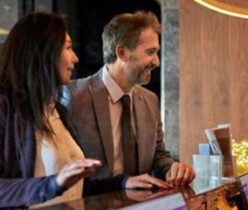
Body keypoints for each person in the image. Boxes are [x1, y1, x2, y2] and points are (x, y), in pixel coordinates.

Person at [0, 12, 170, 208]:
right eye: (68, 48)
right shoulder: (6, 108)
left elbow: (77, 188)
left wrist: (122, 182)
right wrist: (53, 184)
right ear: (42, 53)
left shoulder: (57, 111)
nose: (75, 58)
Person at [61, 11, 195, 186]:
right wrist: (123, 183)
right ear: (122, 52)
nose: (156, 62)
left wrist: (172, 169)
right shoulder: (73, 97)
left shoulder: (150, 100)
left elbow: (159, 157)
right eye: (150, 52)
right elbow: (64, 172)